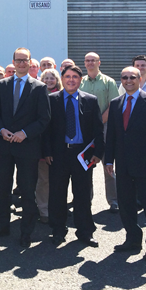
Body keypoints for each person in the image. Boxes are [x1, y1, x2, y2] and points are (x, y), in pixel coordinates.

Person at [0, 47, 51, 248]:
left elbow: (44, 118)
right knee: (2, 189)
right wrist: (1, 130)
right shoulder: (2, 85)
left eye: (25, 60)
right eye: (18, 60)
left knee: (27, 191)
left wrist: (25, 133)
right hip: (4, 146)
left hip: (27, 147)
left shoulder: (39, 87)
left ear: (30, 63)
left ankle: (26, 232)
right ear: (13, 62)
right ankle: (2, 226)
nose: (21, 63)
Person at [105, 67, 146, 262]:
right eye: (124, 77)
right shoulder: (116, 103)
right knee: (126, 205)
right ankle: (132, 239)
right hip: (123, 165)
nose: (128, 80)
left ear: (140, 79)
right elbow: (112, 135)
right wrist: (109, 159)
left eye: (132, 77)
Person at [43, 65, 103, 247]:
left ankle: (85, 232)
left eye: (75, 77)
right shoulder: (51, 100)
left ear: (80, 80)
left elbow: (98, 129)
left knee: (83, 195)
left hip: (82, 155)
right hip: (58, 154)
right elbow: (46, 130)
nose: (71, 80)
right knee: (57, 194)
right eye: (67, 76)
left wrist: (98, 153)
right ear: (62, 79)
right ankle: (58, 230)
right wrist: (46, 152)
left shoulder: (91, 100)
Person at [80, 52, 121, 213]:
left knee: (108, 166)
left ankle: (114, 200)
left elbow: (113, 106)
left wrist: (98, 123)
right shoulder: (80, 81)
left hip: (104, 128)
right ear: (84, 63)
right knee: (85, 166)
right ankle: (85, 200)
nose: (90, 63)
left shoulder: (109, 82)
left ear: (99, 62)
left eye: (93, 60)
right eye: (87, 60)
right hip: (84, 130)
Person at [35, 67, 63, 224]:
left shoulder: (63, 96)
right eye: (46, 78)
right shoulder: (37, 95)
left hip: (59, 145)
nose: (49, 81)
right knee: (43, 179)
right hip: (41, 144)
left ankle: (57, 208)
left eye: (52, 77)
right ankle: (43, 209)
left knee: (58, 180)